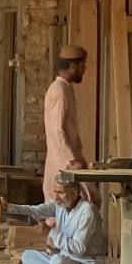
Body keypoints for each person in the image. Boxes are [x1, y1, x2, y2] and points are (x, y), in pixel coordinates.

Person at [3, 180, 106, 264]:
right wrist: (8, 207)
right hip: (63, 259)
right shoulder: (59, 204)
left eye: (60, 193)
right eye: (54, 192)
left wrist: (53, 233)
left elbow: (79, 249)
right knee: (27, 256)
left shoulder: (87, 211)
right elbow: (34, 210)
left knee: (57, 262)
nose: (56, 196)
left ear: (74, 194)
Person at [43, 45, 89, 201]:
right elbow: (57, 130)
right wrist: (71, 159)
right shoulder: (59, 91)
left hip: (68, 161)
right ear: (72, 66)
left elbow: (70, 130)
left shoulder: (66, 89)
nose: (84, 69)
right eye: (82, 65)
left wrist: (79, 155)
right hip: (62, 164)